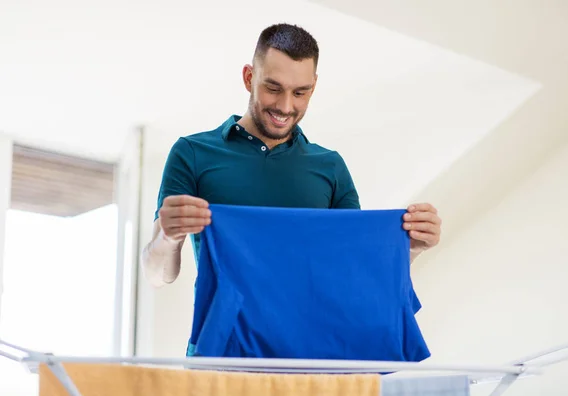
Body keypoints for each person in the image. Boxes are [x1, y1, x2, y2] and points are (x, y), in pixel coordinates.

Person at [142, 23, 442, 289]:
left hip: (309, 350)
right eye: (273, 88)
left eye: (300, 92)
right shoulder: (193, 153)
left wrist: (411, 247)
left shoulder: (330, 166)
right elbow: (157, 276)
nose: (285, 107)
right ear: (249, 78)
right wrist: (169, 236)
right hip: (221, 350)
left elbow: (354, 271)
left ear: (313, 88)